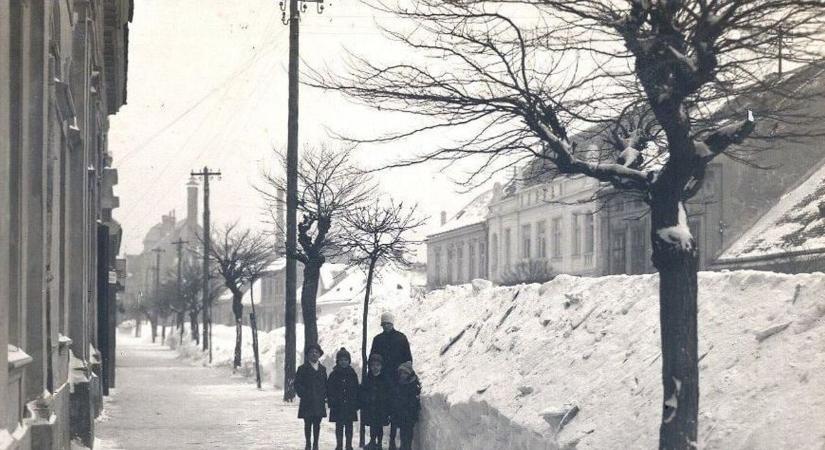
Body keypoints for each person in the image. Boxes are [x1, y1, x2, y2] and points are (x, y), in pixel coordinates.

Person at [369, 311, 412, 449]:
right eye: (384, 324)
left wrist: (403, 374)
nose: (386, 326)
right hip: (381, 379)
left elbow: (408, 359)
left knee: (395, 410)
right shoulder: (377, 339)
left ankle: (392, 440)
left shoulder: (401, 338)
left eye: (388, 323)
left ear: (392, 324)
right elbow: (372, 358)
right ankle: (376, 440)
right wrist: (374, 372)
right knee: (381, 410)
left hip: (397, 380)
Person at [295, 343, 327, 450]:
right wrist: (304, 394)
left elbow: (325, 384)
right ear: (307, 355)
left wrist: (324, 395)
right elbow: (297, 384)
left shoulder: (323, 369)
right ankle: (308, 443)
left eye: (316, 352)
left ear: (319, 355)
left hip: (319, 401)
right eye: (311, 352)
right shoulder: (302, 369)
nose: (314, 354)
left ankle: (315, 444)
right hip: (307, 402)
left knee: (317, 423)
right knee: (308, 423)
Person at [327, 347, 360, 450]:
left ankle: (349, 445)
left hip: (350, 405)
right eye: (341, 360)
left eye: (345, 360)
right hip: (338, 406)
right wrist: (331, 402)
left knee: (349, 427)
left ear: (349, 361)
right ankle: (339, 445)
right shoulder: (333, 374)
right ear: (337, 361)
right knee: (339, 427)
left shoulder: (352, 374)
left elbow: (356, 389)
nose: (343, 362)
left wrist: (356, 403)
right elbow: (329, 389)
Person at [359, 353, 392, 450]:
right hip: (370, 406)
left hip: (381, 406)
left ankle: (379, 443)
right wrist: (365, 400)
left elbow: (388, 393)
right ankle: (372, 441)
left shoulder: (385, 379)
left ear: (381, 366)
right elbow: (363, 390)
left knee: (379, 425)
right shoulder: (368, 378)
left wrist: (386, 404)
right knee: (372, 425)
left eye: (377, 365)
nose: (375, 367)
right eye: (373, 365)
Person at [391, 362, 421, 450]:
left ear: (409, 374)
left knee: (408, 434)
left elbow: (414, 401)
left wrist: (411, 411)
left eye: (405, 373)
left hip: (409, 414)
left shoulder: (413, 384)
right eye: (401, 373)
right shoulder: (399, 383)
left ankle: (406, 447)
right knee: (403, 434)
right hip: (401, 413)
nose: (403, 375)